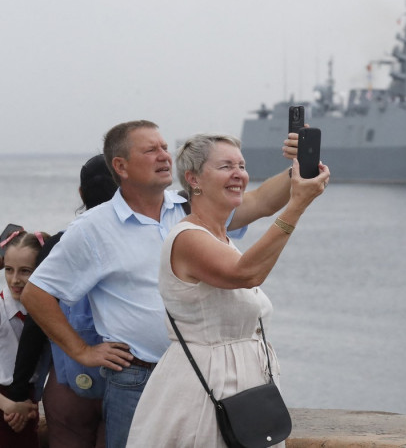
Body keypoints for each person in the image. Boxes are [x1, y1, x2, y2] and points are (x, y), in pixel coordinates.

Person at [22, 119, 302, 448]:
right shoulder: (92, 228)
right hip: (137, 378)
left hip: (202, 375)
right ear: (120, 166)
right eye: (151, 149)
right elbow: (36, 292)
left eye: (165, 148)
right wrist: (82, 351)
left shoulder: (189, 207)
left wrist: (299, 168)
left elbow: (260, 203)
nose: (164, 156)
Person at [126, 133, 329, 447]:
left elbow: (261, 201)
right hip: (205, 390)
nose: (239, 174)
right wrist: (297, 205)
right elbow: (247, 273)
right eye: (226, 166)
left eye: (242, 166)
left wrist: (299, 169)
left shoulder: (222, 238)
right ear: (194, 179)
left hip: (245, 388)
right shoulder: (188, 238)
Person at [10, 154, 118, 448]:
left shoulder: (60, 243)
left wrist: (20, 389)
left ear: (81, 194)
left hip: (70, 378)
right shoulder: (142, 239)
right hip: (126, 376)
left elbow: (36, 320)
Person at [1, 230, 51, 446]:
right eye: (9, 270)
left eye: (25, 271)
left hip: (29, 400)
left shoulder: (49, 310)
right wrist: (8, 405)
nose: (15, 280)